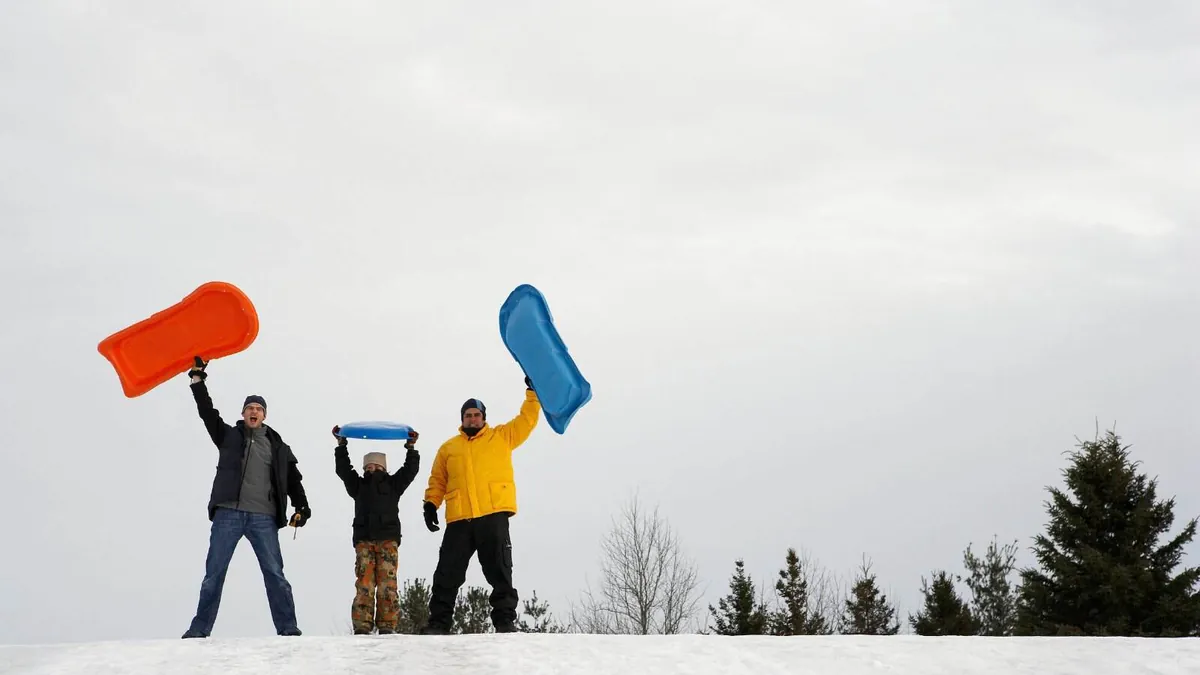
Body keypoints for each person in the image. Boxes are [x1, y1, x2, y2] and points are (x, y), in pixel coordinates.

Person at [181, 356, 311, 638]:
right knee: (213, 574)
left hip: (263, 517)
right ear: (243, 414)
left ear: (264, 415)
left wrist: (302, 506)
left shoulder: (277, 445)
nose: (254, 412)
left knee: (275, 574)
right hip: (228, 513)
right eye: (249, 408)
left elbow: (292, 479)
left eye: (258, 409)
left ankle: (288, 628)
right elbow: (207, 412)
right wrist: (197, 380)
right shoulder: (228, 436)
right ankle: (199, 629)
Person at [420, 375, 541, 634]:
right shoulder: (448, 448)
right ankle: (439, 623)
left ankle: (505, 622)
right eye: (468, 415)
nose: (472, 419)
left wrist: (532, 393)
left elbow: (526, 420)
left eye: (476, 415)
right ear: (462, 419)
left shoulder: (502, 437)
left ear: (484, 417)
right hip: (459, 519)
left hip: (492, 515)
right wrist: (431, 503)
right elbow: (438, 480)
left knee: (500, 571)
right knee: (446, 574)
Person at [332, 424, 421, 635]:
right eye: (368, 467)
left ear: (383, 468)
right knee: (364, 583)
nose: (371, 469)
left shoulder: (393, 485)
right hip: (364, 539)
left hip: (388, 539)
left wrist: (410, 448)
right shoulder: (358, 486)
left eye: (376, 466)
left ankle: (387, 625)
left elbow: (411, 470)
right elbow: (343, 470)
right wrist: (341, 445)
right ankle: (362, 625)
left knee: (387, 584)